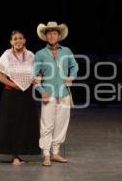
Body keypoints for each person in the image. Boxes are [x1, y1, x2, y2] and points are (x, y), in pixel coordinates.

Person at [33, 22, 79, 166]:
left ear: (59, 35)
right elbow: (34, 75)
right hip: (49, 93)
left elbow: (75, 65)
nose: (51, 35)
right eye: (49, 33)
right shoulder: (40, 54)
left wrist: (71, 77)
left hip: (64, 92)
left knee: (61, 123)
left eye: (54, 33)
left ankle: (55, 152)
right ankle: (46, 154)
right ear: (45, 36)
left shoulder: (66, 51)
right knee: (47, 124)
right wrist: (41, 91)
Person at [0, 30, 41, 166]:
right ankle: (14, 155)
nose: (18, 41)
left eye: (20, 38)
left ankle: (23, 153)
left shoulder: (31, 55)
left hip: (27, 95)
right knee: (11, 124)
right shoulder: (6, 55)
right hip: (11, 95)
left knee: (26, 124)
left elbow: (36, 74)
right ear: (11, 42)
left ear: (25, 40)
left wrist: (35, 80)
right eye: (15, 39)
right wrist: (14, 85)